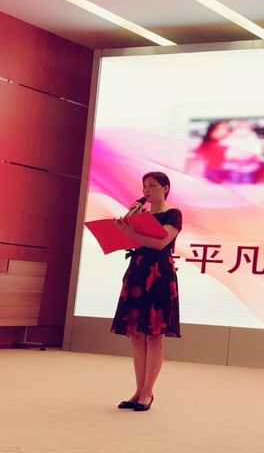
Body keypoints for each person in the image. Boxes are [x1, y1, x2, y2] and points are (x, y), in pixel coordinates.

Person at [111, 171, 183, 411]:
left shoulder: (173, 214)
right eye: (144, 186)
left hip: (159, 275)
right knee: (137, 334)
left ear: (165, 188)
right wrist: (123, 228)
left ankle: (148, 392)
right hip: (138, 272)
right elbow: (131, 242)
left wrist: (129, 233)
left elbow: (161, 243)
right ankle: (138, 390)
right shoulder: (139, 214)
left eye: (152, 185)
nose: (146, 190)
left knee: (154, 335)